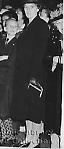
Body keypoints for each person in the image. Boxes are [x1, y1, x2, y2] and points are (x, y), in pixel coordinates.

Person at [11, 0, 49, 148]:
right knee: (26, 106)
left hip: (34, 73)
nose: (27, 10)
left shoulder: (40, 26)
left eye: (31, 7)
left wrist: (33, 75)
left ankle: (35, 140)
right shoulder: (28, 25)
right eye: (26, 8)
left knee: (34, 108)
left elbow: (40, 53)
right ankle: (29, 137)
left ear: (38, 8)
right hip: (24, 72)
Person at [44, 14, 63, 148]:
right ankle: (54, 138)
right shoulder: (54, 39)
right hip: (54, 78)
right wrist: (53, 59)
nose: (60, 26)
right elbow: (46, 56)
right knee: (53, 106)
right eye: (58, 23)